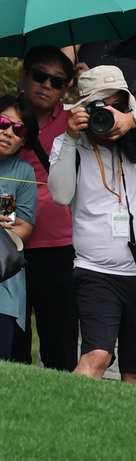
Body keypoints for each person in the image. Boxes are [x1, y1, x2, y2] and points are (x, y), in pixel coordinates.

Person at [48, 66, 136, 384]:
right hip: (96, 271)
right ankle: (64, 419)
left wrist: (133, 118)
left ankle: (125, 433)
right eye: (102, 105)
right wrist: (72, 137)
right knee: (97, 356)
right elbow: (60, 194)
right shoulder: (71, 144)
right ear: (85, 109)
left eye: (118, 104)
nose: (111, 114)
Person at [11, 46, 79, 371]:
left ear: (67, 87)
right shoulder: (5, 118)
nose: (46, 86)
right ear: (23, 75)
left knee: (61, 345)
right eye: (40, 76)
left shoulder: (75, 124)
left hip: (60, 247)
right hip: (9, 244)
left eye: (57, 81)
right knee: (11, 341)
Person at [0, 95, 38, 360]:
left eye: (19, 129)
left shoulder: (21, 172)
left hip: (3, 281)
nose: (8, 132)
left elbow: (18, 227)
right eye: (3, 123)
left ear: (24, 139)